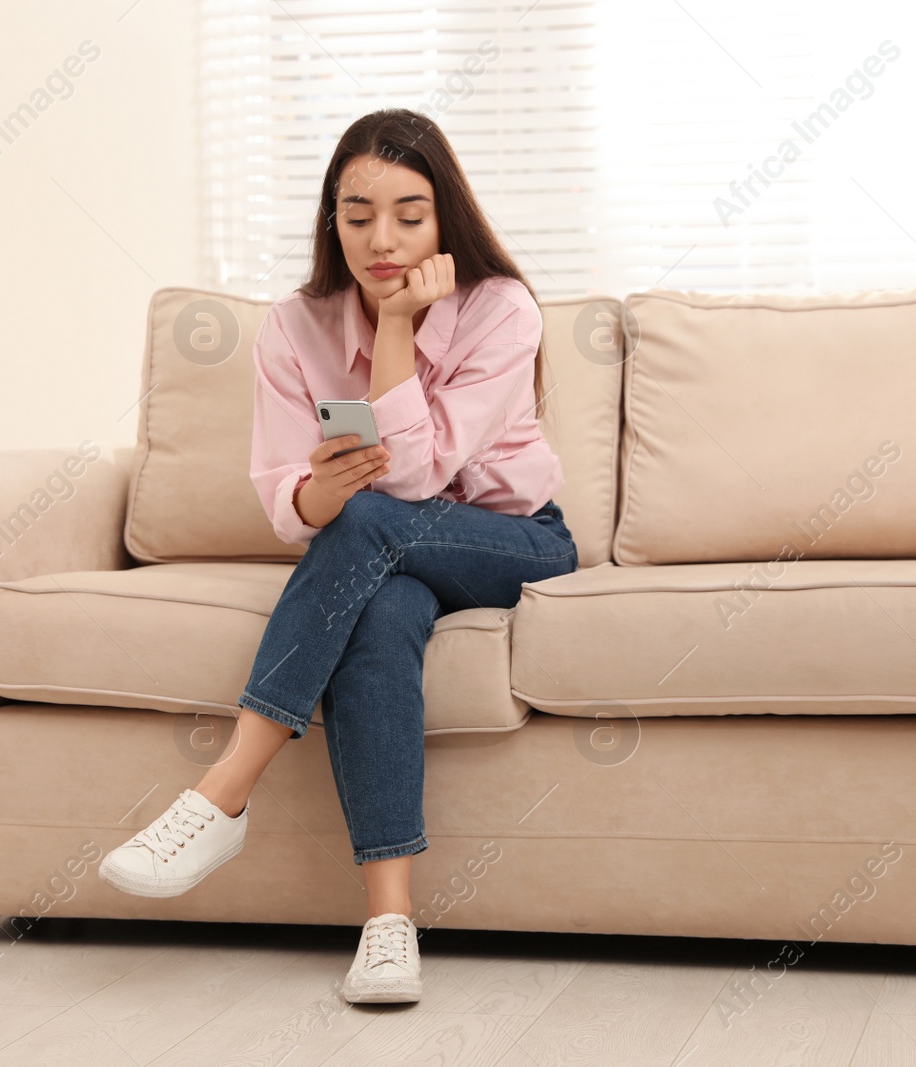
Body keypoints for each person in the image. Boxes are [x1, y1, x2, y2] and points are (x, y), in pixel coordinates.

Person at [98, 107, 578, 1004]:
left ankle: (222, 791)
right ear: (332, 221)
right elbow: (292, 503)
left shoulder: (501, 310)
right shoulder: (294, 326)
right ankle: (389, 923)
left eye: (409, 214)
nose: (381, 240)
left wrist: (395, 326)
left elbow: (423, 470)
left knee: (370, 520)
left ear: (447, 221)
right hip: (382, 546)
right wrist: (326, 485)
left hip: (511, 541)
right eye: (357, 216)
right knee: (381, 608)